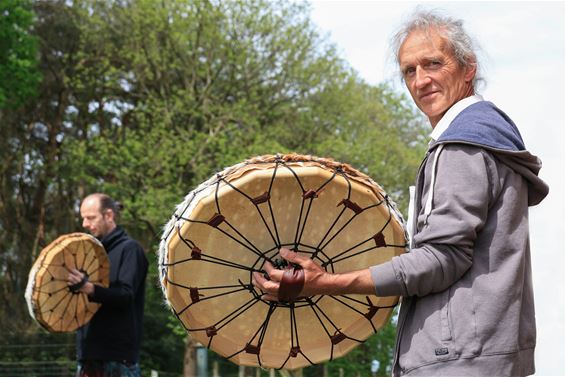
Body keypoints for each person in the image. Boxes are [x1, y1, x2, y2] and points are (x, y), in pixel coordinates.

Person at [252, 9, 549, 377]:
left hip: (454, 360)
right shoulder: (485, 141)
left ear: (468, 68)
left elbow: (442, 258)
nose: (421, 80)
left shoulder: (460, 147)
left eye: (433, 64)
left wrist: (326, 283)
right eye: (410, 70)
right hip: (485, 354)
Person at [67, 193, 148, 377]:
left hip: (118, 358)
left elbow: (125, 296)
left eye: (91, 218)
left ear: (109, 216)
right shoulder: (87, 253)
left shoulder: (130, 250)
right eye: (83, 218)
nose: (85, 224)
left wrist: (89, 288)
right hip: (87, 355)